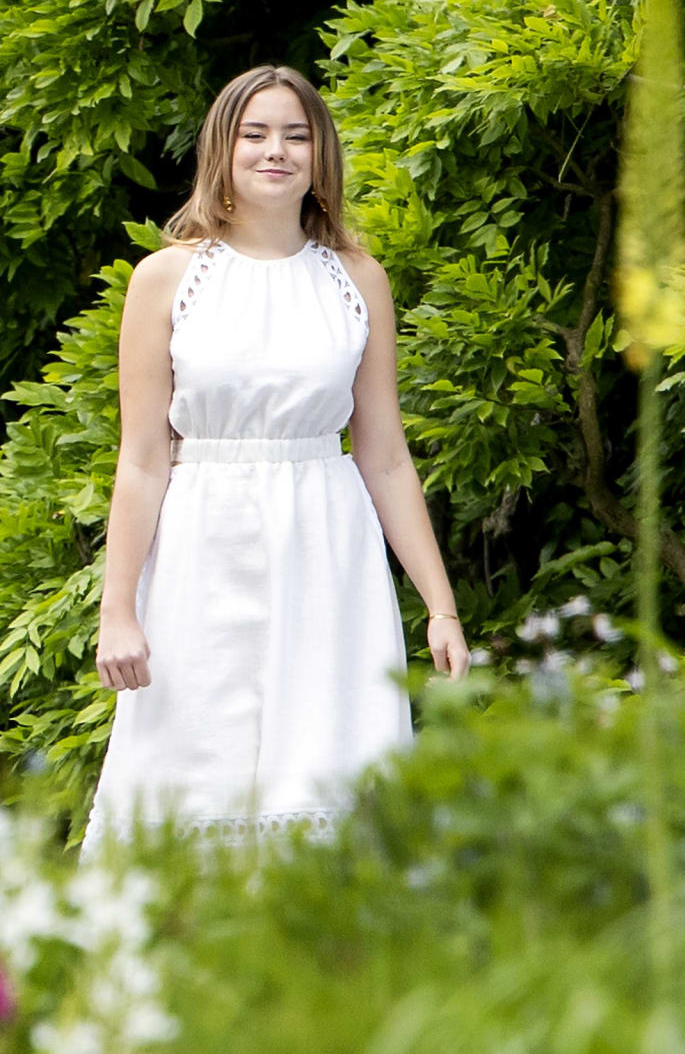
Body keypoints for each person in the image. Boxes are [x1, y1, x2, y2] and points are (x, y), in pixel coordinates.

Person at [86, 64, 464, 845]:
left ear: (320, 153)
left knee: (328, 765)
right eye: (255, 134)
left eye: (295, 134)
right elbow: (143, 458)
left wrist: (440, 604)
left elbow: (385, 455)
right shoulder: (166, 279)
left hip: (327, 549)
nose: (276, 151)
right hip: (202, 546)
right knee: (191, 769)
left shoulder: (358, 279)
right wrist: (118, 607)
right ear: (222, 149)